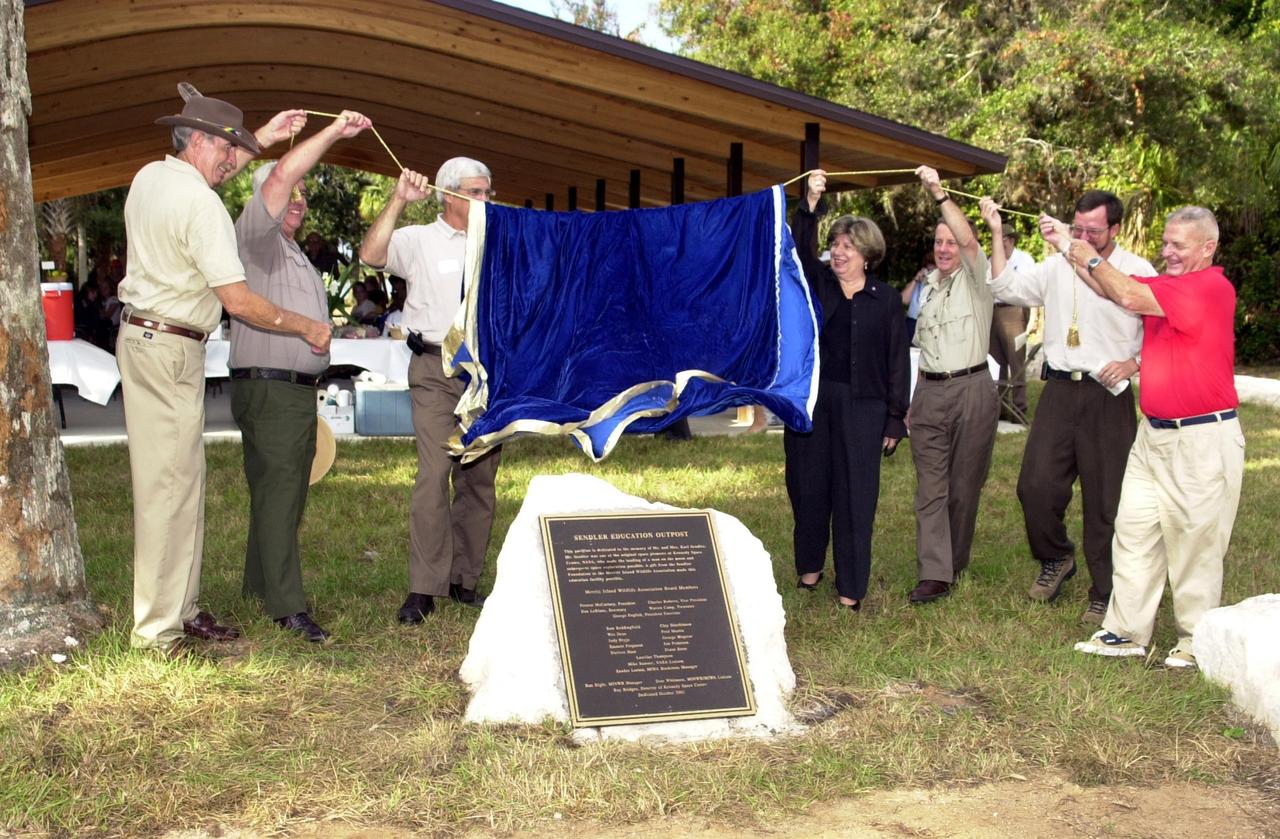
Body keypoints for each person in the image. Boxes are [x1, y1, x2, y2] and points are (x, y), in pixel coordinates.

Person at [116, 89, 331, 656]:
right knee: (167, 489)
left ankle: (180, 611)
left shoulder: (150, 179)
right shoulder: (202, 205)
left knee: (182, 484)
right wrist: (304, 326)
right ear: (203, 142)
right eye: (226, 148)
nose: (230, 161)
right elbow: (238, 300)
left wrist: (260, 133)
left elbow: (220, 168)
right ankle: (158, 631)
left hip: (152, 339)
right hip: (167, 345)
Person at [1046, 207, 1244, 668]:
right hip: (1153, 434)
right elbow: (1111, 291)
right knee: (1134, 532)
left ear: (1207, 247)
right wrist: (1068, 247)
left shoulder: (1212, 287)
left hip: (1202, 439)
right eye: (1165, 242)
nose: (1167, 252)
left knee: (1195, 543)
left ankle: (1197, 640)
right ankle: (1125, 631)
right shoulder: (1170, 287)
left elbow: (1129, 294)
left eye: (1179, 245)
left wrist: (1090, 257)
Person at [229, 110, 372, 643]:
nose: (298, 199)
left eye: (303, 196)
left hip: (281, 388)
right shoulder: (257, 238)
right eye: (291, 194)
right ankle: (287, 607)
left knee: (276, 492)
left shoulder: (288, 252)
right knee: (282, 491)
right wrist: (334, 131)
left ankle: (257, 589)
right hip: (271, 388)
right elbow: (280, 174)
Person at [981, 191, 1156, 624]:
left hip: (1107, 396)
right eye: (1076, 228)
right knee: (1035, 486)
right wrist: (997, 232)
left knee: (1106, 500)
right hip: (1059, 391)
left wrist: (1134, 363)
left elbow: (1166, 329)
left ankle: (1105, 590)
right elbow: (1007, 288)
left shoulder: (1136, 270)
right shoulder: (1057, 264)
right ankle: (1056, 557)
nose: (1081, 237)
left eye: (1092, 231)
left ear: (1115, 229)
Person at [359, 158, 501, 622]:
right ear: (449, 194)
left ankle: (464, 580)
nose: (487, 200)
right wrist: (399, 200)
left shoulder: (500, 241)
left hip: (486, 374)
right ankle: (424, 587)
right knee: (433, 472)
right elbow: (372, 256)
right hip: (435, 368)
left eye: (488, 192)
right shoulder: (418, 240)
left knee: (479, 479)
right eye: (478, 192)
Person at [786, 170, 909, 610]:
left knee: (856, 496)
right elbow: (798, 250)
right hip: (816, 404)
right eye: (835, 244)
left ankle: (850, 588)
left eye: (848, 247)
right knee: (809, 485)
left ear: (867, 255)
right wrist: (810, 205)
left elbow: (898, 361)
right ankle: (809, 568)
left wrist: (896, 416)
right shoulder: (815, 283)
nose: (838, 252)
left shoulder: (888, 300)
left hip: (865, 409)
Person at [906, 165, 999, 604]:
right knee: (931, 489)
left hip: (972, 391)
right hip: (929, 392)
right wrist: (913, 399)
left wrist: (939, 194)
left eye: (950, 242)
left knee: (964, 488)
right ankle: (935, 572)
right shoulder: (928, 288)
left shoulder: (978, 281)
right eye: (938, 242)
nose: (945, 249)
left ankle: (954, 560)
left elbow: (969, 240)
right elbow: (923, 348)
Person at [989, 228, 1036, 425]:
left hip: (1015, 310)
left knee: (1016, 361)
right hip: (993, 309)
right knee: (995, 360)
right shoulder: (992, 259)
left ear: (1012, 240)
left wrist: (1033, 317)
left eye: (1006, 239)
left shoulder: (1024, 260)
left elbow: (1032, 288)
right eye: (1000, 239)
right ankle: (998, 408)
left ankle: (1018, 408)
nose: (1003, 243)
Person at [900, 252, 934, 341]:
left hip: (928, 325)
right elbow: (903, 299)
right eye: (928, 269)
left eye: (933, 270)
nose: (929, 272)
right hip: (912, 323)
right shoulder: (917, 284)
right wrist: (915, 280)